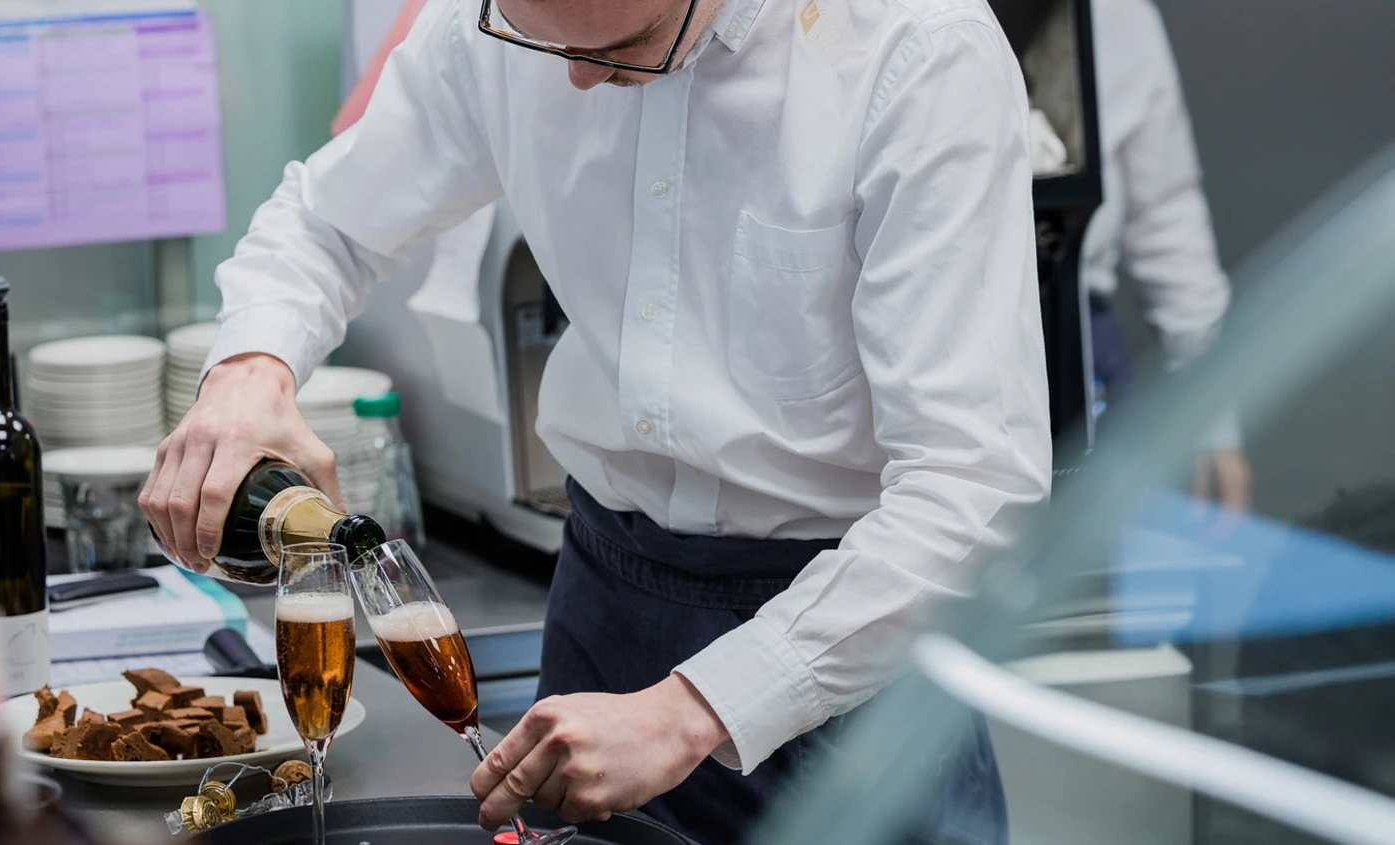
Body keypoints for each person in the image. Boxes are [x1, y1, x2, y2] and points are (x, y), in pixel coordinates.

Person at [139, 0, 1050, 841]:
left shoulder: (916, 51)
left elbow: (974, 488)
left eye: (620, 48)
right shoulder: (496, 24)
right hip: (605, 609)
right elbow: (328, 223)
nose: (572, 78)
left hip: (852, 655)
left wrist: (696, 706)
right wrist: (251, 371)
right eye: (536, 34)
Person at [1085, 0, 1252, 509]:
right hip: (891, 355)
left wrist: (1208, 419)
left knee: (1088, 574)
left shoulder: (1112, 13)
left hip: (1074, 348)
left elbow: (1163, 210)